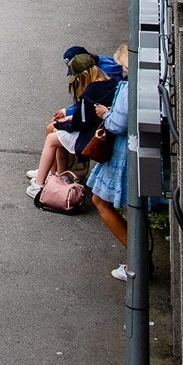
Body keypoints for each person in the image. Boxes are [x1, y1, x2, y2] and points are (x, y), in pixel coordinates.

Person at [27, 54, 117, 199]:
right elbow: (88, 116)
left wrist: (63, 124)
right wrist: (69, 118)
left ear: (83, 74)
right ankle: (61, 177)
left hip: (88, 137)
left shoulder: (89, 93)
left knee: (52, 138)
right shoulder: (112, 82)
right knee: (59, 139)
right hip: (102, 132)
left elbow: (81, 123)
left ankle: (38, 185)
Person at [87, 62, 133, 281]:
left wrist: (105, 114)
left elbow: (117, 124)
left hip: (124, 152)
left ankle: (137, 261)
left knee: (101, 200)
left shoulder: (127, 86)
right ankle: (139, 258)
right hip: (135, 148)